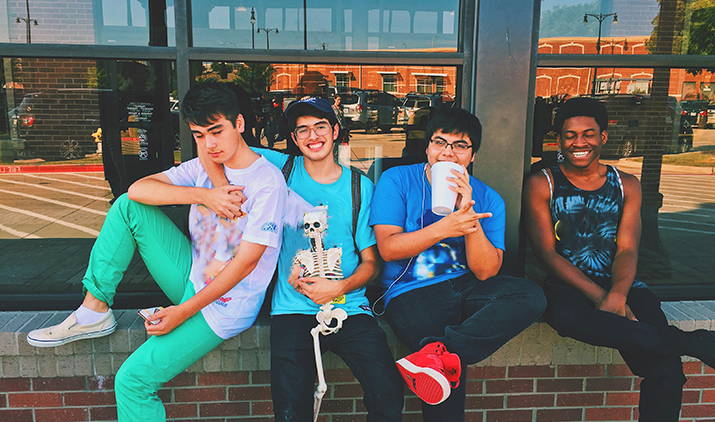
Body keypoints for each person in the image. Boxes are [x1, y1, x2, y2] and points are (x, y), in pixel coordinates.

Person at [26, 81, 287, 422]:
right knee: (127, 207)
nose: (209, 144)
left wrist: (181, 313)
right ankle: (94, 309)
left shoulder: (266, 182)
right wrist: (206, 195)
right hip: (190, 275)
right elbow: (137, 190)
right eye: (198, 135)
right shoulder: (203, 168)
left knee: (132, 381)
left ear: (239, 124)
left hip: (225, 305)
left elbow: (247, 262)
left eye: (216, 131)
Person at [202, 96, 404, 421]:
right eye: (303, 130)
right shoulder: (277, 170)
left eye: (320, 127)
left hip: (348, 306)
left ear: (336, 130)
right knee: (290, 406)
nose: (313, 136)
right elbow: (217, 152)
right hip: (293, 309)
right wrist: (220, 195)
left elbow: (371, 262)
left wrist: (339, 285)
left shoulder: (360, 187)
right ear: (294, 139)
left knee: (387, 392)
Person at [523, 96, 715, 422]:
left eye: (588, 133)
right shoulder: (543, 183)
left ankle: (678, 345)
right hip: (566, 285)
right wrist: (603, 297)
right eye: (570, 135)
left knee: (666, 372)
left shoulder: (626, 185)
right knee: (567, 318)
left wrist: (618, 293)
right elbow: (546, 253)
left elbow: (627, 249)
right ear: (559, 140)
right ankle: (692, 341)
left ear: (603, 137)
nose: (579, 142)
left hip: (623, 282)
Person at [369, 107, 546, 420]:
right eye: (440, 142)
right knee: (447, 384)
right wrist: (444, 228)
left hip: (465, 286)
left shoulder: (488, 198)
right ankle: (441, 356)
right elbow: (388, 249)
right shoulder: (397, 179)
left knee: (529, 296)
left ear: (472, 155)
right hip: (410, 291)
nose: (448, 153)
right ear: (428, 148)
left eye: (460, 146)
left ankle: (436, 355)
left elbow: (487, 271)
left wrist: (469, 217)